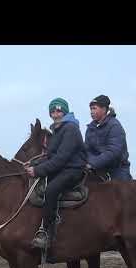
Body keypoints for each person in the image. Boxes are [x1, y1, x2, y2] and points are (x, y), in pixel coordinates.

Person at [25, 98, 87, 248]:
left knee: (51, 190)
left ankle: (46, 232)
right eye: (52, 111)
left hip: (73, 170)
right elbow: (51, 156)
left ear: (64, 112)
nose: (55, 114)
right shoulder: (58, 129)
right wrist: (35, 163)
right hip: (62, 168)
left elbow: (62, 158)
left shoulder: (70, 129)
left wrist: (38, 171)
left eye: (58, 110)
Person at [85, 95, 132, 180]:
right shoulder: (90, 128)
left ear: (103, 109)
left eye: (94, 108)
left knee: (122, 190)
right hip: (96, 168)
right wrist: (89, 162)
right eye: (91, 109)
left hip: (117, 169)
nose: (91, 111)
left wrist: (92, 163)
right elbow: (87, 149)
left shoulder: (114, 126)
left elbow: (113, 152)